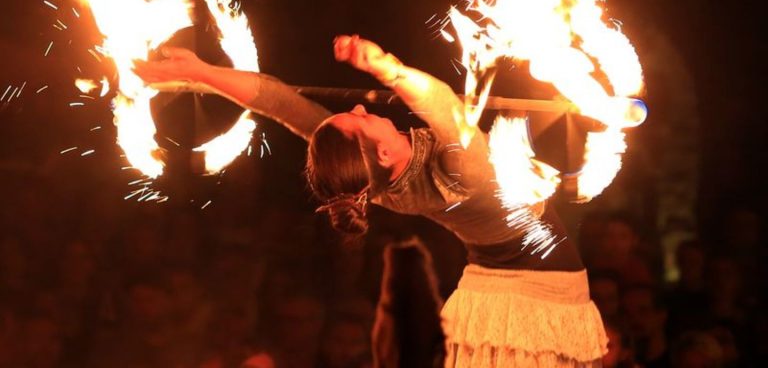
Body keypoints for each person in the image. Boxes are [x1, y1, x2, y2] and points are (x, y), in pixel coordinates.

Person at [134, 35, 607, 367]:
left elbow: (278, 102)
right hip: (534, 298)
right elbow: (443, 104)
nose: (361, 107)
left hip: (494, 284)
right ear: (382, 151)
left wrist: (201, 71)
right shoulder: (458, 172)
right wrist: (385, 68)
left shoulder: (371, 181)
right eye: (359, 119)